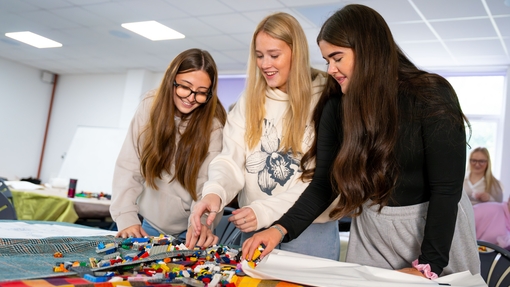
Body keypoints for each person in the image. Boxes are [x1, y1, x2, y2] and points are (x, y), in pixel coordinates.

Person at [242, 4, 480, 278]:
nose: (330, 69)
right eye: (327, 60)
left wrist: (429, 265)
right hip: (373, 229)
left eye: (337, 57)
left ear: (367, 50)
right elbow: (324, 185)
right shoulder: (335, 105)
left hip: (435, 228)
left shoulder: (431, 95)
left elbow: (446, 191)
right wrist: (279, 228)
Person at [187, 12, 341, 260]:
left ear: (296, 52)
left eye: (274, 55)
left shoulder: (328, 96)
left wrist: (265, 211)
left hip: (309, 231)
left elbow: (321, 179)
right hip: (254, 227)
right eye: (259, 56)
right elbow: (231, 158)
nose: (265, 64)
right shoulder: (250, 99)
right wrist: (214, 192)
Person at [110, 48, 227, 248]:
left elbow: (208, 183)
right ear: (171, 80)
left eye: (201, 93)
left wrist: (200, 223)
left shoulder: (214, 125)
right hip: (144, 224)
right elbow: (129, 165)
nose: (191, 98)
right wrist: (126, 217)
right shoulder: (150, 106)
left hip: (188, 231)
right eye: (185, 87)